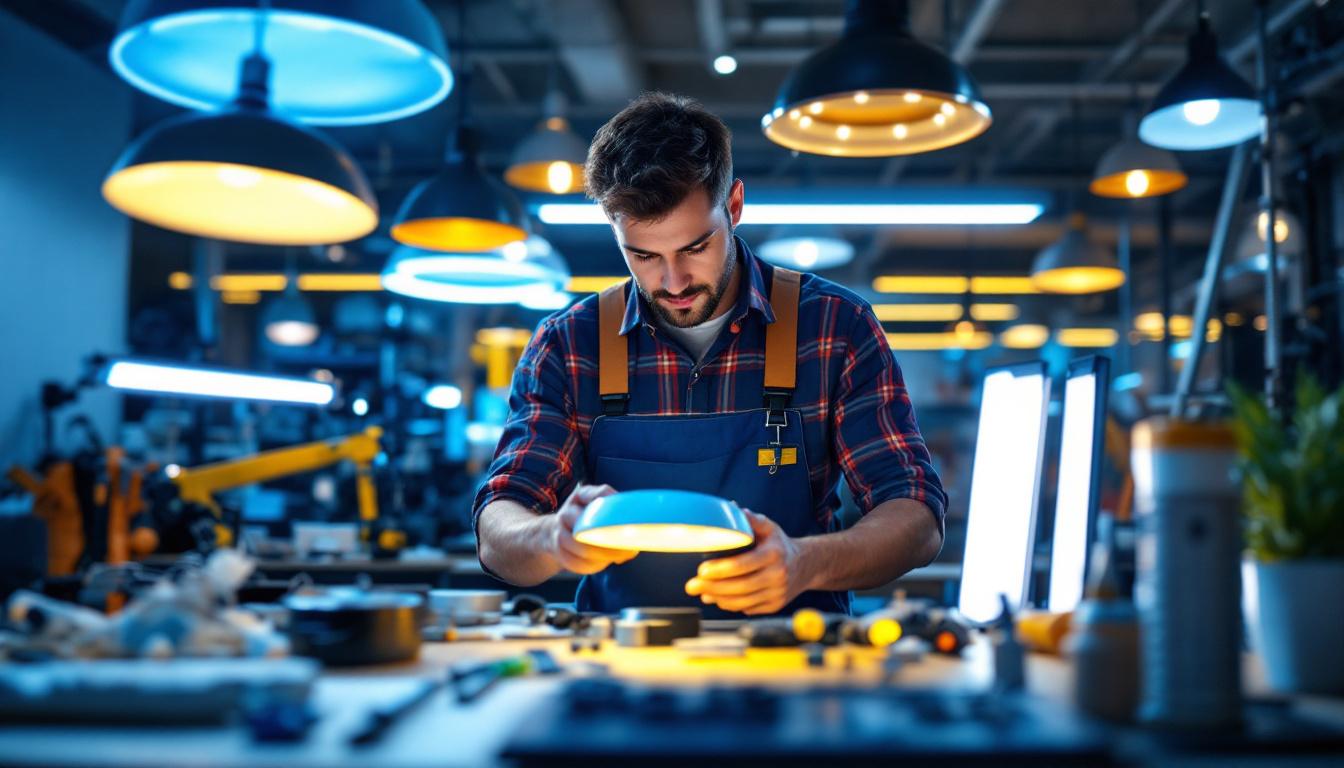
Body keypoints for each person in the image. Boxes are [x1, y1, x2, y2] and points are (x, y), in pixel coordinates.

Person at [473, 92, 945, 616]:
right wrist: (549, 539)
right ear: (614, 229)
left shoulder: (833, 327)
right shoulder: (569, 345)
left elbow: (916, 515)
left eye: (695, 248)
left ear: (734, 206)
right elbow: (499, 528)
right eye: (644, 255)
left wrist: (805, 562)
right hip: (620, 665)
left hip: (794, 664)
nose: (672, 282)